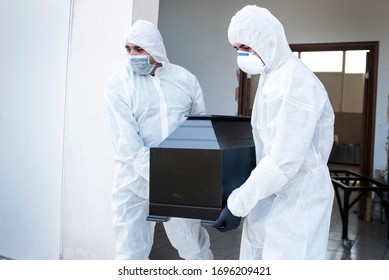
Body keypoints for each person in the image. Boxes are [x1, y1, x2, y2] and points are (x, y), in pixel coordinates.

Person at [212, 5, 335, 260]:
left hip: (299, 199)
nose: (241, 55)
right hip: (271, 193)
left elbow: (283, 162)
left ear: (267, 40)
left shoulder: (297, 82)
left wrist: (237, 205)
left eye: (246, 47)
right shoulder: (272, 76)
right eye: (236, 49)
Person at [104, 20, 213, 260]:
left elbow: (199, 131)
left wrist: (191, 177)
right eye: (128, 49)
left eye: (139, 49)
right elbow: (129, 146)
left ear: (155, 49)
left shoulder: (185, 80)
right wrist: (165, 175)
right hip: (133, 183)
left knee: (193, 248)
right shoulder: (118, 85)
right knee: (130, 254)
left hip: (179, 183)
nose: (133, 55)